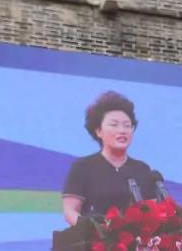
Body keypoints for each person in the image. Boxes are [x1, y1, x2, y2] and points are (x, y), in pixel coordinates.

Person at [61, 91, 159, 226]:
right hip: (94, 237)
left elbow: (152, 212)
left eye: (127, 125)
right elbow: (70, 211)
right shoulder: (83, 167)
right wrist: (95, 231)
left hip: (135, 238)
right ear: (98, 131)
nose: (122, 130)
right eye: (114, 125)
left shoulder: (142, 169)